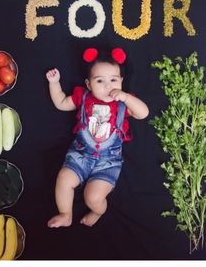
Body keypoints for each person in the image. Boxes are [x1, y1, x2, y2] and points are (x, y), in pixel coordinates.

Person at [46, 47, 149, 228]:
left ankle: (97, 212)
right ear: (88, 84)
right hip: (80, 155)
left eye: (113, 80)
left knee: (93, 198)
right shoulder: (82, 97)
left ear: (121, 82)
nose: (107, 86)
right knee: (63, 179)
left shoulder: (124, 103)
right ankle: (65, 213)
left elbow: (143, 113)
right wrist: (54, 83)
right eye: (99, 80)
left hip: (108, 162)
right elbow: (61, 103)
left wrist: (125, 97)